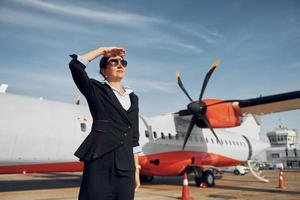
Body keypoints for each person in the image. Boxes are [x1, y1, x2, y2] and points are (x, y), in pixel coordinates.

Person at [69, 47, 141, 200]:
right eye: (113, 62)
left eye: (123, 62)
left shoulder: (134, 98)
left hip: (126, 168)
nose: (120, 65)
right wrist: (103, 51)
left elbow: (134, 138)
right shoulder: (96, 89)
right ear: (104, 70)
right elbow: (76, 66)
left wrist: (136, 171)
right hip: (100, 162)